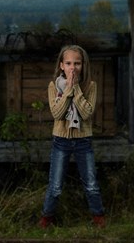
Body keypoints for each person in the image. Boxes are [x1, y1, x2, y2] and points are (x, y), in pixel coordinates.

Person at [39, 45, 106, 228]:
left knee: (91, 183)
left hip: (83, 141)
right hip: (61, 141)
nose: (73, 67)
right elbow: (57, 113)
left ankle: (98, 218)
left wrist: (75, 88)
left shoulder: (90, 86)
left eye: (77, 63)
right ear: (61, 65)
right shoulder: (54, 86)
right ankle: (46, 219)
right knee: (56, 186)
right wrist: (68, 90)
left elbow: (86, 113)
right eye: (68, 63)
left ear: (83, 65)